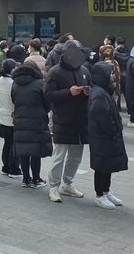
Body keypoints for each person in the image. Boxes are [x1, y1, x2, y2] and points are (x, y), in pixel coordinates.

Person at [44, 44, 91, 203]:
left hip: (81, 120)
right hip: (63, 119)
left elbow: (92, 90)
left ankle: (68, 183)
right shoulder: (55, 71)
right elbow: (48, 95)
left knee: (75, 157)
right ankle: (54, 187)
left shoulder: (84, 71)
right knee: (59, 156)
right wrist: (68, 92)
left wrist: (87, 92)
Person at [88, 62, 128, 209]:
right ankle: (100, 195)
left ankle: (106, 190)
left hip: (108, 137)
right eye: (109, 73)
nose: (112, 76)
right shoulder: (99, 95)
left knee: (108, 165)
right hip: (102, 137)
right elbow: (101, 117)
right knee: (102, 166)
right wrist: (113, 129)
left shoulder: (104, 91)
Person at [11, 60, 52, 189]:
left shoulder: (15, 84)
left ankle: (25, 179)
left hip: (19, 120)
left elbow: (13, 100)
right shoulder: (40, 83)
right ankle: (36, 179)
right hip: (36, 121)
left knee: (23, 151)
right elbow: (47, 103)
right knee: (35, 151)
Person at [0, 59, 20, 178]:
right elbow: (16, 101)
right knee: (14, 144)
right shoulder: (13, 83)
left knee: (7, 143)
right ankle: (14, 169)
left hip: (2, 115)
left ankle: (5, 167)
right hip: (12, 116)